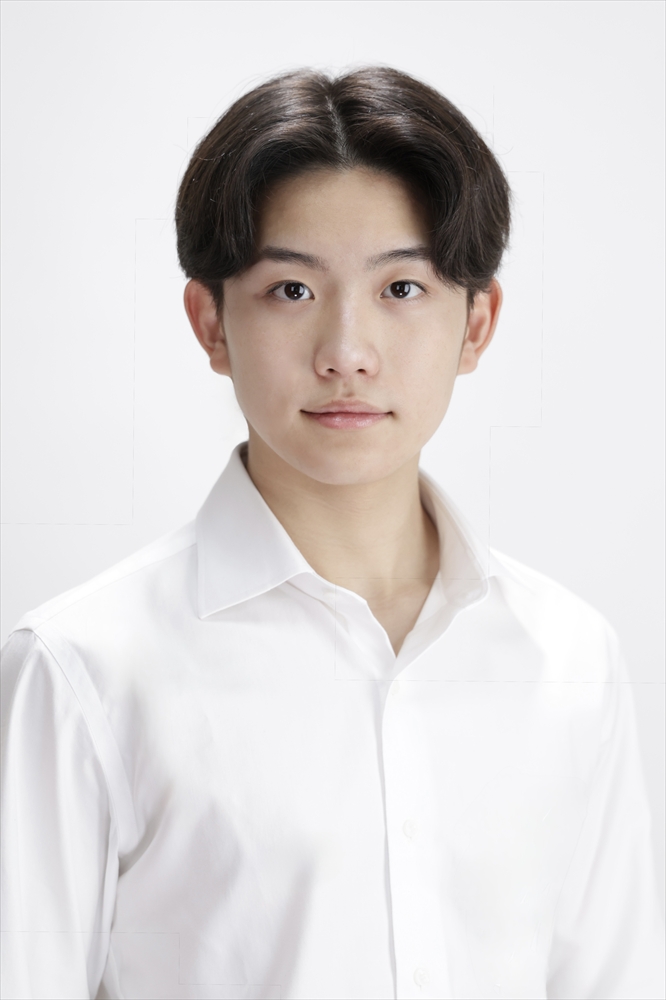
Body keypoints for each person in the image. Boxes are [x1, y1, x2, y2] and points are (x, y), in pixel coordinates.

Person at [1, 67, 663, 1000]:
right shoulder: (82, 671)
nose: (347, 351)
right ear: (210, 322)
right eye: (291, 290)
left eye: (402, 287)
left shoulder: (568, 659)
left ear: (477, 324)